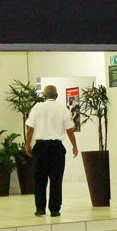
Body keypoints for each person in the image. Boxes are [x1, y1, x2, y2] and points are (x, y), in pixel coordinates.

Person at [24, 85, 78, 216]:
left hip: (40, 147)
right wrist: (74, 146)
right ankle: (54, 209)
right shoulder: (62, 109)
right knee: (56, 180)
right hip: (57, 148)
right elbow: (69, 130)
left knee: (39, 179)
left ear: (44, 96)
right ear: (57, 95)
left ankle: (40, 208)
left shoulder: (37, 108)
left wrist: (27, 144)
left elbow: (30, 128)